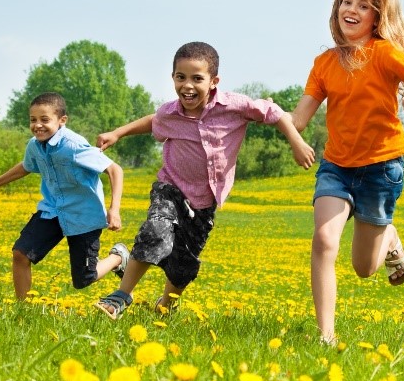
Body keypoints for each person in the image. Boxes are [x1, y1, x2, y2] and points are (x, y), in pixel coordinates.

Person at [94, 42, 315, 320]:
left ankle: (166, 306)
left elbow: (275, 114)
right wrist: (118, 133)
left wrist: (296, 142)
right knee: (155, 233)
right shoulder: (170, 113)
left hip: (205, 201)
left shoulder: (235, 106)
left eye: (197, 78)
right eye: (180, 77)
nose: (188, 85)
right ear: (173, 77)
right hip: (170, 189)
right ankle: (120, 296)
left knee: (184, 266)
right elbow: (153, 121)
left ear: (213, 81)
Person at [291, 0, 404, 345]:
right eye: (346, 2)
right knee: (324, 240)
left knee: (363, 268)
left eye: (364, 5)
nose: (351, 10)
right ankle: (326, 336)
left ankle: (389, 236)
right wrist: (266, 116)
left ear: (378, 17)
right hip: (336, 167)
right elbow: (300, 118)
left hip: (381, 169)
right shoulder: (324, 63)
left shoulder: (384, 52)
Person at [0, 92, 127, 300]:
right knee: (21, 254)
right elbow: (25, 167)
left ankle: (118, 257)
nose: (38, 125)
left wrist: (114, 209)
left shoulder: (73, 146)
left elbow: (114, 170)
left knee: (84, 279)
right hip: (52, 210)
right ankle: (22, 309)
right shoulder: (34, 146)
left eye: (44, 119)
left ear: (62, 121)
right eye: (33, 120)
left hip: (83, 214)